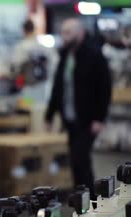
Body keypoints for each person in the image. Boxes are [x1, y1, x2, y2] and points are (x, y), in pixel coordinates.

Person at [45, 18, 112, 198]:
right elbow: (58, 87)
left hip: (88, 119)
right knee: (76, 161)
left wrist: (100, 117)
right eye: (63, 32)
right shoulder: (66, 55)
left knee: (80, 158)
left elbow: (104, 88)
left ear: (80, 32)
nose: (64, 37)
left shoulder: (94, 55)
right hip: (70, 118)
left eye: (68, 32)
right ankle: (80, 197)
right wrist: (49, 115)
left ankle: (89, 198)